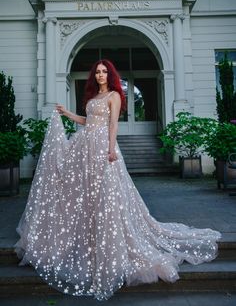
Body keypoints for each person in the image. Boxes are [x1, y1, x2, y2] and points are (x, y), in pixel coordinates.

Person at [14, 59, 221, 301]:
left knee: (108, 196)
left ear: (110, 75)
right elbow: (87, 121)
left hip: (103, 148)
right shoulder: (92, 98)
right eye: (97, 72)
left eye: (104, 72)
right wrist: (67, 113)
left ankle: (111, 246)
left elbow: (113, 124)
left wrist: (111, 150)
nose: (101, 75)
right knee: (86, 195)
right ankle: (89, 240)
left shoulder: (114, 95)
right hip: (85, 147)